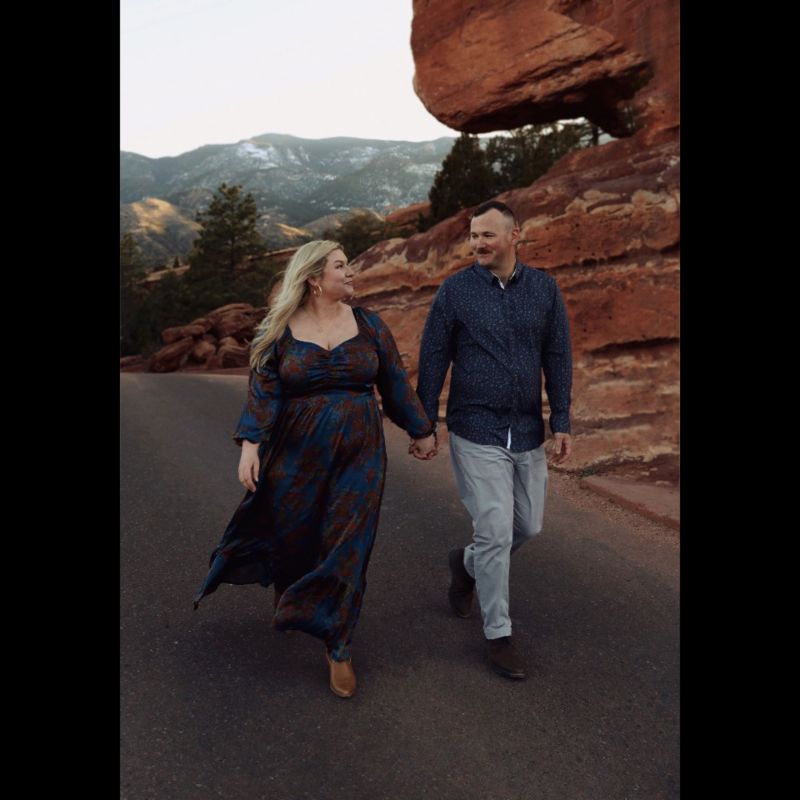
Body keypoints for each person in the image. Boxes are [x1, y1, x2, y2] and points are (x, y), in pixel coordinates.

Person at [193, 240, 437, 698]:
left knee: (350, 541)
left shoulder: (369, 325)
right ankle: (293, 592)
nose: (351, 272)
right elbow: (263, 393)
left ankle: (338, 644)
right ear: (314, 279)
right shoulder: (279, 329)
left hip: (360, 451)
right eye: (341, 266)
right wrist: (251, 447)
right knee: (294, 536)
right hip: (295, 452)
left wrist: (421, 429)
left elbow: (394, 384)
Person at [414, 200, 573, 680]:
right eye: (473, 235)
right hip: (475, 427)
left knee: (528, 526)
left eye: (487, 234)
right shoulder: (456, 291)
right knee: (496, 532)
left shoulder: (544, 289)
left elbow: (558, 355)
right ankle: (498, 634)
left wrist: (561, 419)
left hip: (526, 429)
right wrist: (425, 423)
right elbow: (434, 356)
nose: (478, 243)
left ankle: (466, 565)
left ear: (514, 235)